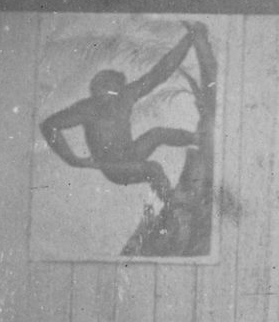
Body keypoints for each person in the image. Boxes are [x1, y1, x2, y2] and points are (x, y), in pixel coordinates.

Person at [39, 21, 208, 203]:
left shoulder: (125, 96)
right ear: (94, 91)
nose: (106, 97)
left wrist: (188, 39)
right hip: (113, 167)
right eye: (101, 91)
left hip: (130, 153)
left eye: (110, 91)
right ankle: (170, 201)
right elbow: (49, 125)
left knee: (157, 134)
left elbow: (160, 72)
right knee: (153, 168)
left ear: (118, 89)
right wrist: (72, 159)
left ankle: (197, 138)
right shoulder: (87, 108)